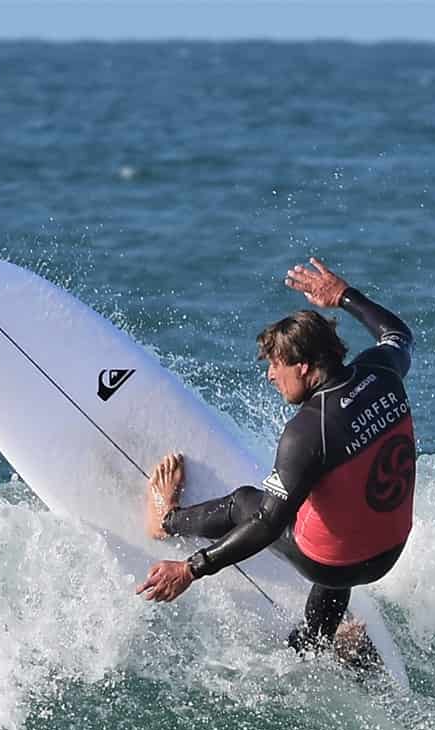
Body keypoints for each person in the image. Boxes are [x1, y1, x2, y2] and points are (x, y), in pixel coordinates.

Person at [135, 257, 416, 667]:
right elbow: (398, 335)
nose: (270, 376)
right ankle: (322, 639)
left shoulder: (307, 432)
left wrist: (191, 569)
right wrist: (343, 296)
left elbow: (265, 525)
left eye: (275, 364)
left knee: (247, 502)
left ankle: (166, 521)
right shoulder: (382, 373)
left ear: (303, 366)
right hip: (391, 550)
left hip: (337, 567)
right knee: (331, 506)